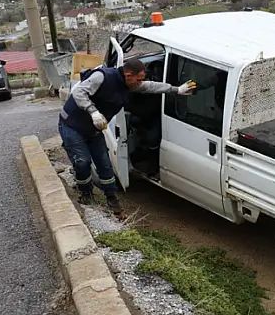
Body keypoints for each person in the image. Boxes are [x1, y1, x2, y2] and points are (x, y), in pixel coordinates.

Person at [59, 57, 195, 214]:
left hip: (93, 130)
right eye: (138, 79)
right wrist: (93, 111)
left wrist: (176, 89)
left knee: (105, 165)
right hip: (72, 125)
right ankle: (86, 193)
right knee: (82, 162)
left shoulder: (128, 85)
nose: (139, 83)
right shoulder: (102, 77)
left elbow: (149, 87)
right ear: (128, 74)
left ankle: (111, 198)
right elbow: (79, 92)